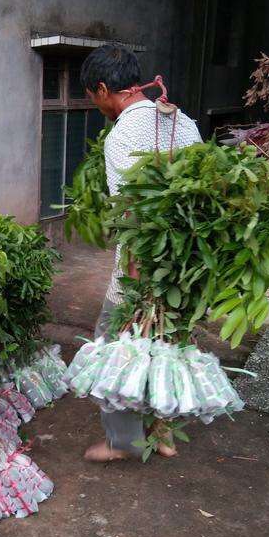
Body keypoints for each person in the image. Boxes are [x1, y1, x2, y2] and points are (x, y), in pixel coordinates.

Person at [79, 45, 202, 462]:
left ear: (102, 89)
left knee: (114, 346)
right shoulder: (183, 123)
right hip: (184, 270)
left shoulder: (123, 136)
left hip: (141, 270)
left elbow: (131, 218)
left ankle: (122, 442)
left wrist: (132, 292)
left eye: (93, 98)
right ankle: (163, 432)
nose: (96, 107)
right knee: (167, 343)